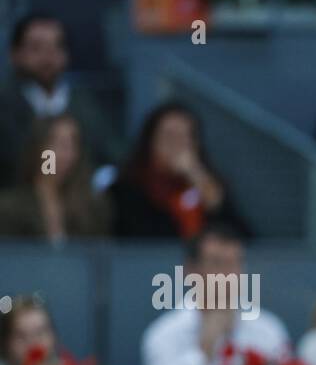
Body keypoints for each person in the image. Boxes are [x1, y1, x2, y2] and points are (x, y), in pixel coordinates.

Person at [141, 222, 290, 365]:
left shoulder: (269, 331)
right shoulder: (163, 336)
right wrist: (205, 351)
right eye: (218, 264)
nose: (230, 275)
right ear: (191, 271)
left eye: (236, 264)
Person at [0, 12, 122, 187]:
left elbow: (113, 151)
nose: (47, 57)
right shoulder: (5, 104)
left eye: (56, 47)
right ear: (15, 54)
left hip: (79, 204)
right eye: (36, 48)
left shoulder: (83, 103)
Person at [110, 101, 248, 240]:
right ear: (150, 143)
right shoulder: (126, 189)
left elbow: (242, 240)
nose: (177, 146)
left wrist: (200, 181)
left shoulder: (209, 185)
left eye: (184, 138)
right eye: (169, 137)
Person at [0, 113, 112, 242]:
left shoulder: (94, 207)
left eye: (72, 144)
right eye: (59, 144)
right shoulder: (9, 208)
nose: (67, 154)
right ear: (39, 147)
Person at [0, 295, 58, 365]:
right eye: (21, 336)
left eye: (40, 333)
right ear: (5, 344)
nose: (33, 343)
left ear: (53, 336)